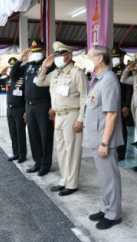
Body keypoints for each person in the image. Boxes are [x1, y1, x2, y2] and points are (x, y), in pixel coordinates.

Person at [37, 41, 88, 196]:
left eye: (60, 55)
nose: (57, 58)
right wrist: (45, 66)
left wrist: (81, 119)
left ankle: (72, 184)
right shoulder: (56, 73)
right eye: (56, 55)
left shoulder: (77, 74)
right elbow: (40, 82)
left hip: (72, 115)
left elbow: (84, 98)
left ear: (69, 56)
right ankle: (63, 180)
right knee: (61, 150)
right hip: (58, 116)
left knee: (72, 151)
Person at [83, 45, 123, 230]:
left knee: (110, 177)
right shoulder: (98, 79)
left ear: (100, 58)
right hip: (97, 137)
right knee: (103, 176)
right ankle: (106, 207)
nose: (87, 59)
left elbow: (112, 114)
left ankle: (113, 214)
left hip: (104, 139)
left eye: (89, 56)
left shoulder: (108, 80)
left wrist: (105, 142)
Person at [10, 39, 55, 176]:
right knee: (33, 135)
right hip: (29, 106)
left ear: (42, 51)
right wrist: (19, 60)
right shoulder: (28, 66)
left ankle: (45, 164)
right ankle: (38, 162)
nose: (35, 54)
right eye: (33, 52)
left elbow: (54, 86)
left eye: (37, 51)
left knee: (45, 135)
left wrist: (53, 106)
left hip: (43, 105)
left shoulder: (50, 66)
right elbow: (13, 75)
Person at [0, 57, 27, 163]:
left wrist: (26, 111)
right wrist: (0, 73)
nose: (12, 69)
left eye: (14, 67)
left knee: (20, 132)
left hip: (20, 108)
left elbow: (27, 95)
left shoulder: (23, 79)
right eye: (10, 67)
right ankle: (15, 153)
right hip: (10, 109)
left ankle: (22, 155)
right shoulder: (7, 79)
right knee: (13, 132)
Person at [112, 46, 133, 160]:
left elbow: (129, 90)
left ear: (122, 57)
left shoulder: (126, 70)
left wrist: (127, 106)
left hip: (122, 104)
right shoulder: (112, 69)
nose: (114, 59)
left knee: (121, 129)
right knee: (113, 128)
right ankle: (114, 150)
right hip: (112, 104)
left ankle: (121, 153)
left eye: (116, 57)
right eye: (113, 57)